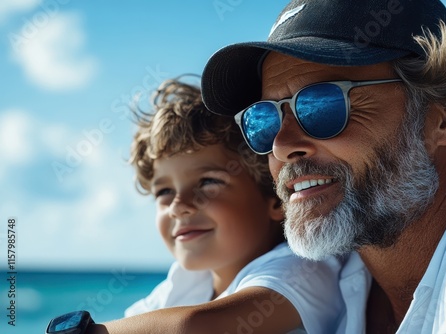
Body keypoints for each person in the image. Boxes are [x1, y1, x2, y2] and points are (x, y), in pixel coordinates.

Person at [200, 0, 446, 333]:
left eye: (322, 105)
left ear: (445, 117)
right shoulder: (325, 270)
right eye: (264, 119)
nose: (282, 146)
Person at [70, 77, 342, 334]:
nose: (179, 206)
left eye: (208, 182)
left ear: (275, 199)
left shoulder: (304, 268)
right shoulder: (186, 283)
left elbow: (195, 327)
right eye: (164, 191)